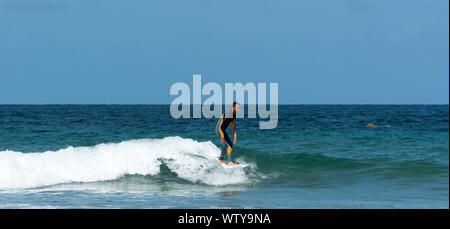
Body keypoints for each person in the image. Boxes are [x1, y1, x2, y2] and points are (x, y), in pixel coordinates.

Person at [215, 102, 240, 166]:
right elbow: (221, 126)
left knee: (226, 145)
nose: (238, 109)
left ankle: (221, 160)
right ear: (233, 107)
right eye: (237, 108)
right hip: (219, 129)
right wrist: (222, 137)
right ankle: (230, 162)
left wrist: (235, 136)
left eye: (238, 108)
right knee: (230, 144)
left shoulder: (234, 114)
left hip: (222, 129)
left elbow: (233, 126)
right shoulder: (229, 114)